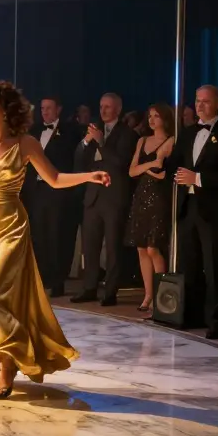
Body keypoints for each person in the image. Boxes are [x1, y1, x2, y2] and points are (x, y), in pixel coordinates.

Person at [0, 81, 105, 399]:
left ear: (6, 108)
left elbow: (54, 179)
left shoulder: (26, 143)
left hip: (11, 227)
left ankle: (10, 362)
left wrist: (90, 176)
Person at [170, 85, 218, 339]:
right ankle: (190, 315)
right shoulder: (188, 132)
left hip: (214, 210)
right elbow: (175, 163)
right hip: (187, 206)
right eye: (197, 101)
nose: (200, 105)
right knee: (189, 265)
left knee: (214, 267)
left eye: (206, 101)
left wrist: (198, 178)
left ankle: (216, 320)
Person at [71, 93, 138, 307]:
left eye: (108, 107)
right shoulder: (94, 130)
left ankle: (110, 291)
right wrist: (86, 142)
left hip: (114, 198)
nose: (103, 111)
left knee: (113, 248)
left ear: (118, 109)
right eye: (101, 106)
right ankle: (89, 287)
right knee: (90, 246)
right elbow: (79, 160)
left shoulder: (127, 134)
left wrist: (101, 143)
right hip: (93, 196)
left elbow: (120, 163)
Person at [23, 96, 82, 298]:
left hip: (58, 191)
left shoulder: (70, 132)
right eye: (42, 108)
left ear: (59, 109)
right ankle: (41, 278)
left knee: (57, 235)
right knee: (38, 235)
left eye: (49, 108)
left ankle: (58, 281)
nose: (45, 112)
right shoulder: (34, 131)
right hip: (36, 190)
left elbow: (71, 160)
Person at [124, 103, 176, 313]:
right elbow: (132, 171)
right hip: (141, 196)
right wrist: (149, 166)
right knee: (141, 248)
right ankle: (147, 294)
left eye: (156, 116)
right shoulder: (142, 140)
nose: (152, 120)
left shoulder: (171, 140)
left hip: (159, 197)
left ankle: (159, 295)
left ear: (165, 118)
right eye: (150, 116)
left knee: (154, 248)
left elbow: (162, 172)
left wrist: (146, 168)